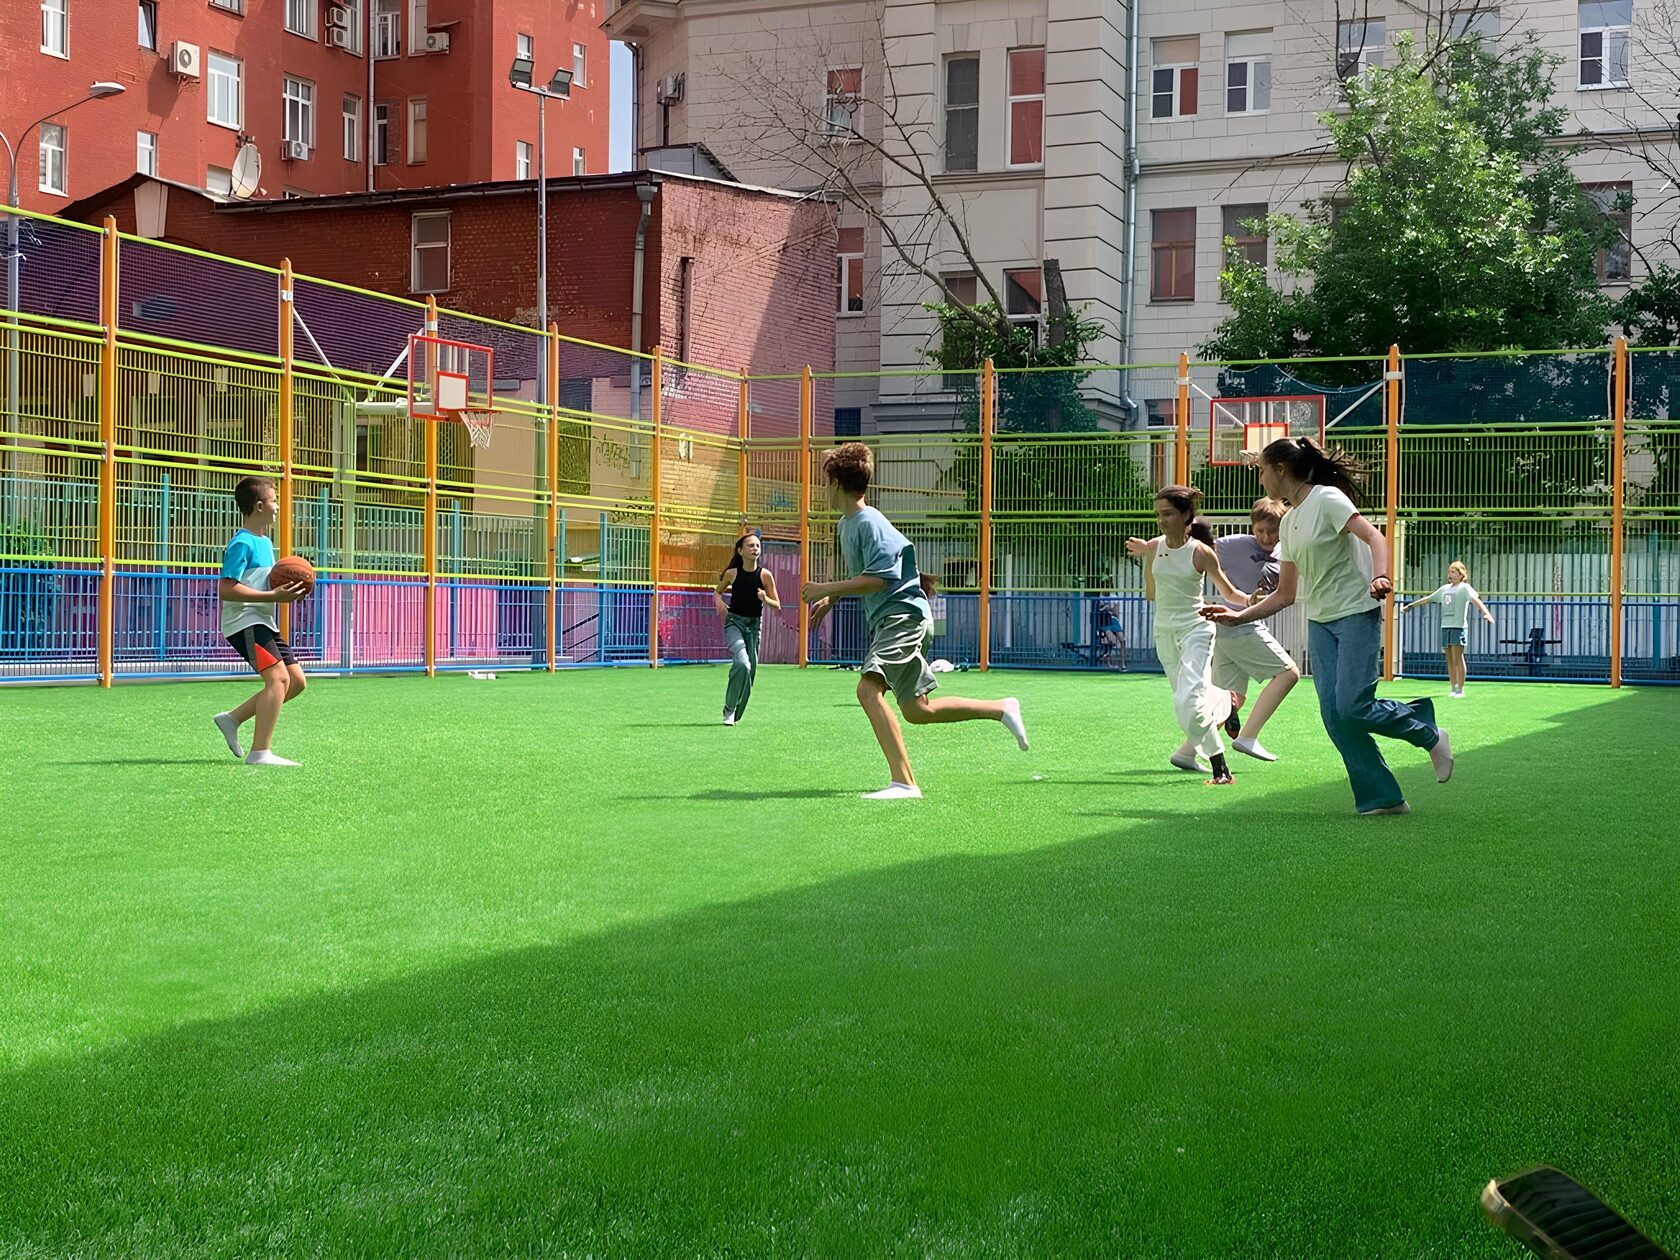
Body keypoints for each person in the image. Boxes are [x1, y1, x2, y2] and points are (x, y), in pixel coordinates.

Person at [1202, 437, 1453, 816]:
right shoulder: (1289, 522)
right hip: (1320, 624)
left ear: (1280, 470)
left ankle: (1427, 732)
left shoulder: (1328, 499)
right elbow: (1285, 594)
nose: (1260, 479)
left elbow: (1374, 536)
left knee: (1352, 705)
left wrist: (1381, 575)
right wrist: (1237, 616)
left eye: (1262, 471)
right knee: (1335, 716)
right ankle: (1382, 797)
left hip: (1355, 614)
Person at [801, 442, 1028, 800]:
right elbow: (869, 573)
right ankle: (1001, 708)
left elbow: (883, 578)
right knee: (917, 711)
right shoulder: (847, 525)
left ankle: (904, 783)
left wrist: (826, 588)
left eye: (823, 479)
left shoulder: (869, 521)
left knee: (867, 690)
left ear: (835, 483)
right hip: (895, 619)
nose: (820, 487)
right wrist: (833, 599)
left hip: (903, 618)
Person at [1125, 485, 1247, 785]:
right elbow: (1152, 594)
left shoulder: (1201, 552)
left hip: (1196, 629)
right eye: (1158, 514)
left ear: (1185, 515)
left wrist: (1252, 601)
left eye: (1167, 514)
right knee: (1186, 700)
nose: (1161, 520)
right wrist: (1147, 555)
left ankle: (1221, 769)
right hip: (1164, 632)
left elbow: (1229, 592)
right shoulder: (1154, 547)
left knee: (1188, 702)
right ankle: (1225, 700)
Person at [212, 476, 308, 767]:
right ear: (259, 506)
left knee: (295, 682)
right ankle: (260, 752)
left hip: (262, 621)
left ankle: (233, 718)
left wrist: (290, 590)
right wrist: (273, 596)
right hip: (244, 621)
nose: (277, 506)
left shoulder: (265, 542)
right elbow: (226, 588)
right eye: (274, 500)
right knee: (278, 680)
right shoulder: (242, 543)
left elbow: (266, 583)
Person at [1212, 498, 1302, 762]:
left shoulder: (1288, 548)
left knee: (1231, 698)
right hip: (1237, 624)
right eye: (1260, 530)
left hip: (1229, 630)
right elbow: (1196, 547)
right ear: (1252, 528)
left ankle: (1189, 750)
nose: (1266, 537)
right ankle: (1248, 737)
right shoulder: (1233, 544)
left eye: (1272, 531)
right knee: (1289, 673)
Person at [714, 531, 781, 726]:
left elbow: (777, 604)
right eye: (751, 545)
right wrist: (719, 602)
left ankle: (736, 711)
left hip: (754, 627)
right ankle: (729, 709)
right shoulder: (732, 574)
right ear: (740, 551)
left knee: (750, 673)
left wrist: (765, 598)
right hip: (734, 623)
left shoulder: (765, 575)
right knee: (743, 663)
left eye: (757, 546)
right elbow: (717, 592)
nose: (755, 549)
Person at [1402, 560, 1493, 698]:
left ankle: (1460, 689)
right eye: (1450, 572)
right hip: (1446, 626)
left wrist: (1486, 614)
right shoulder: (1444, 589)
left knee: (1458, 658)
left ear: (1461, 574)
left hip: (1458, 627)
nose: (1452, 574)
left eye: (1454, 572)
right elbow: (1428, 599)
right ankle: (1453, 686)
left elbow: (1476, 601)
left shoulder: (1465, 588)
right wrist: (1410, 606)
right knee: (1449, 659)